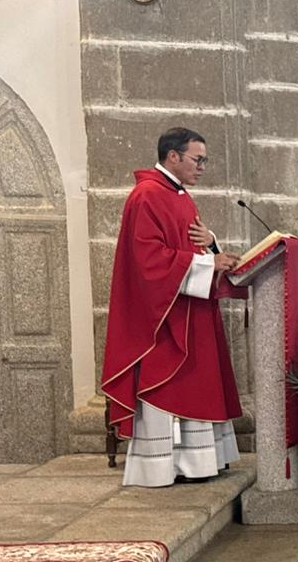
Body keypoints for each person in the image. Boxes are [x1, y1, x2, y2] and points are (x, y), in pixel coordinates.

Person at [102, 127, 244, 487]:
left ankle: (196, 462)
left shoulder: (179, 196)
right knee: (167, 385)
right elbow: (148, 261)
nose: (202, 168)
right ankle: (163, 466)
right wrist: (208, 265)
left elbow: (189, 246)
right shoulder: (147, 196)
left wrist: (213, 247)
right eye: (198, 160)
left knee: (196, 385)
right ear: (173, 157)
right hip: (163, 319)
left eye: (204, 161)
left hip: (188, 309)